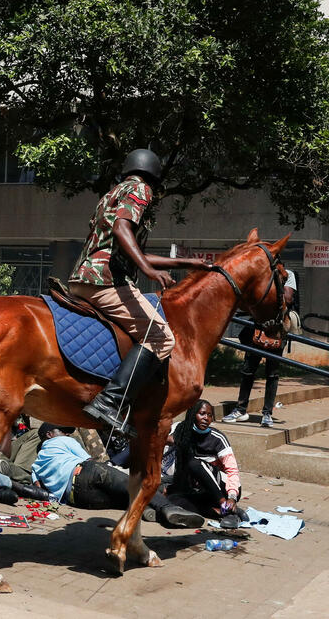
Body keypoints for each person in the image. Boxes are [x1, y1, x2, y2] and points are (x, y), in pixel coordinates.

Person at [69, 148, 212, 437]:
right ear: (154, 177)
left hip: (83, 277)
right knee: (161, 337)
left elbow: (134, 248)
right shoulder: (140, 188)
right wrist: (149, 272)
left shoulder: (113, 193)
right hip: (105, 281)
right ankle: (110, 401)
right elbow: (123, 228)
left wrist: (187, 262)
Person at [31, 424, 204, 528]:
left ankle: (149, 511)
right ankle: (167, 507)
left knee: (123, 499)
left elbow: (39, 488)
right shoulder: (62, 441)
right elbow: (88, 459)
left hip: (78, 499)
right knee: (132, 485)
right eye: (62, 431)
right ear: (49, 435)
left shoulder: (36, 464)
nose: (67, 434)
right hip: (85, 472)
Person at [223, 269, 297, 427]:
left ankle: (267, 413)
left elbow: (288, 298)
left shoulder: (287, 275)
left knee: (272, 374)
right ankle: (240, 409)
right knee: (248, 370)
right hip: (257, 327)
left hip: (277, 329)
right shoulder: (261, 275)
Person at [169, 400, 249, 527]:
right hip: (201, 490)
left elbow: (232, 470)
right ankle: (223, 513)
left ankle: (224, 504)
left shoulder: (217, 438)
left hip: (225, 489)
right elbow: (168, 440)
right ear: (193, 415)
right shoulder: (183, 432)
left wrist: (232, 497)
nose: (206, 418)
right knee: (172, 500)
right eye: (202, 414)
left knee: (194, 463)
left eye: (209, 415)